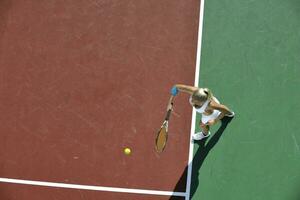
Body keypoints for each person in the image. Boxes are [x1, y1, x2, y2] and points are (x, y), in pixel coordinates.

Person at [168, 84, 235, 140]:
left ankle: (205, 134)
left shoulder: (210, 105)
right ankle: (229, 114)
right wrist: (170, 103)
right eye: (193, 99)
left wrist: (215, 120)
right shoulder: (195, 91)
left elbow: (223, 108)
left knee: (202, 124)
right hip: (211, 107)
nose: (192, 102)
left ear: (203, 102)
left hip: (211, 114)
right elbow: (176, 87)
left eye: (196, 102)